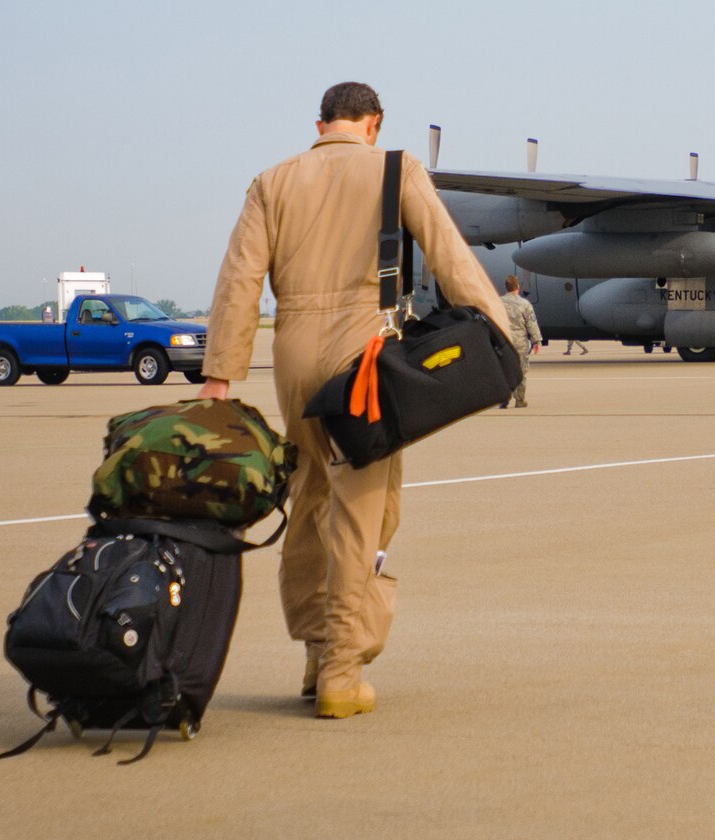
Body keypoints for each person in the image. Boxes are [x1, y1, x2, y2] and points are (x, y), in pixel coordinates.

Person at [201, 81, 512, 720]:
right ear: (372, 122)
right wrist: (499, 331)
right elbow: (450, 257)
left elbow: (239, 280)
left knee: (309, 492)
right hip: (362, 356)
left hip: (292, 353)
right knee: (363, 508)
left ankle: (317, 655)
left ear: (321, 123)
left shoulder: (271, 181)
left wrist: (220, 375)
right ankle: (343, 670)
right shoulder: (397, 168)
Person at [499, 276, 544, 407]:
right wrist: (537, 341)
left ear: (506, 287)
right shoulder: (524, 304)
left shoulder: (498, 302)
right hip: (520, 342)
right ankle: (519, 399)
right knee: (521, 370)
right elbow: (531, 323)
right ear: (517, 287)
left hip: (504, 340)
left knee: (504, 370)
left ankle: (504, 399)